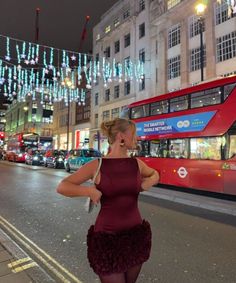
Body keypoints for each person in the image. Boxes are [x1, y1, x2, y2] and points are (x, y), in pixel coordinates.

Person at [56, 118, 159, 283]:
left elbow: (155, 174)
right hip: (107, 242)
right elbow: (62, 186)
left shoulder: (137, 164)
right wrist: (88, 191)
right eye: (134, 134)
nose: (137, 138)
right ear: (121, 137)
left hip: (135, 238)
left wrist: (149, 182)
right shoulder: (97, 165)